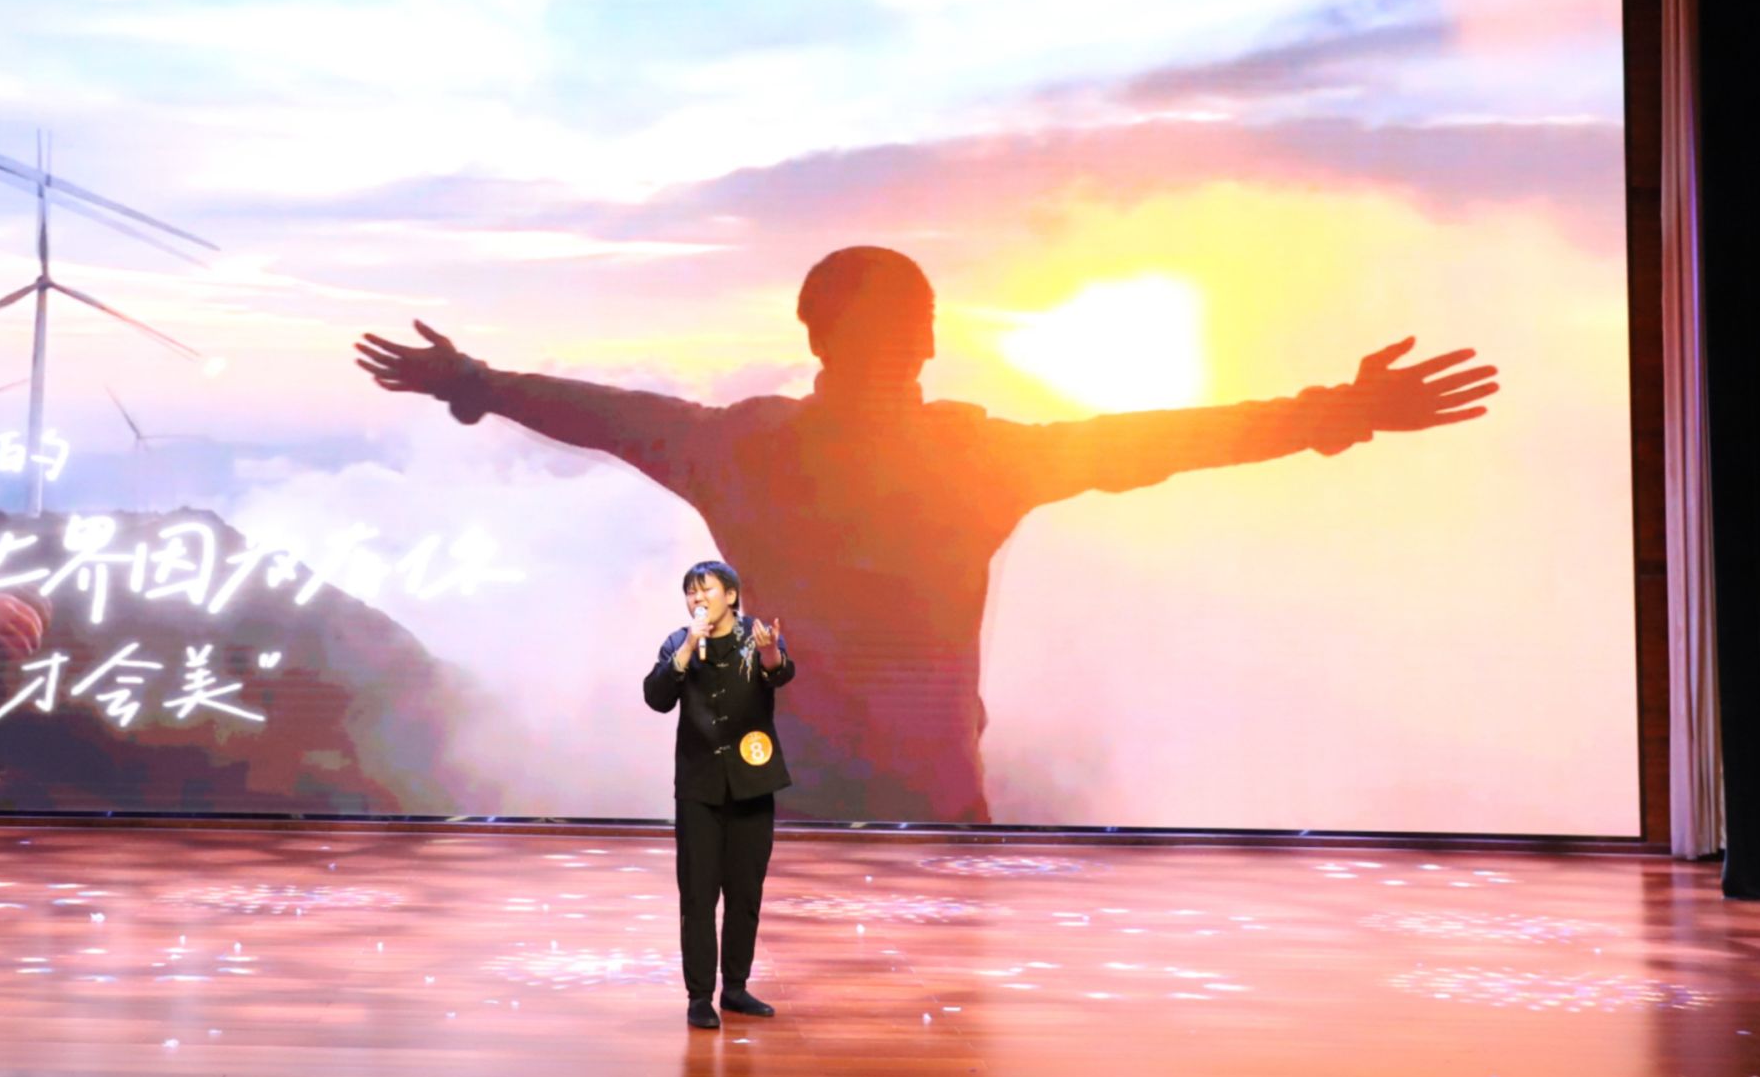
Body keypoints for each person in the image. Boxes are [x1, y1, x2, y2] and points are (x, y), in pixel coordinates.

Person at [357, 246, 1498, 823]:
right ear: (928, 342)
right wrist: (1335, 413)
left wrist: (473, 381)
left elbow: (601, 414)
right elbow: (1166, 440)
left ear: (813, 336)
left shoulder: (735, 447)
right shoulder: (974, 457)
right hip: (932, 797)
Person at [643, 560, 792, 1029]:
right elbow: (656, 697)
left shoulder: (757, 636)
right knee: (698, 894)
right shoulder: (678, 643)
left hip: (752, 782)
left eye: (705, 589)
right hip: (699, 786)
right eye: (691, 592)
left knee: (745, 892)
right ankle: (699, 996)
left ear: (730, 595)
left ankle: (736, 987)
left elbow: (779, 674)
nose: (697, 599)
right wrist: (689, 646)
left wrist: (770, 654)